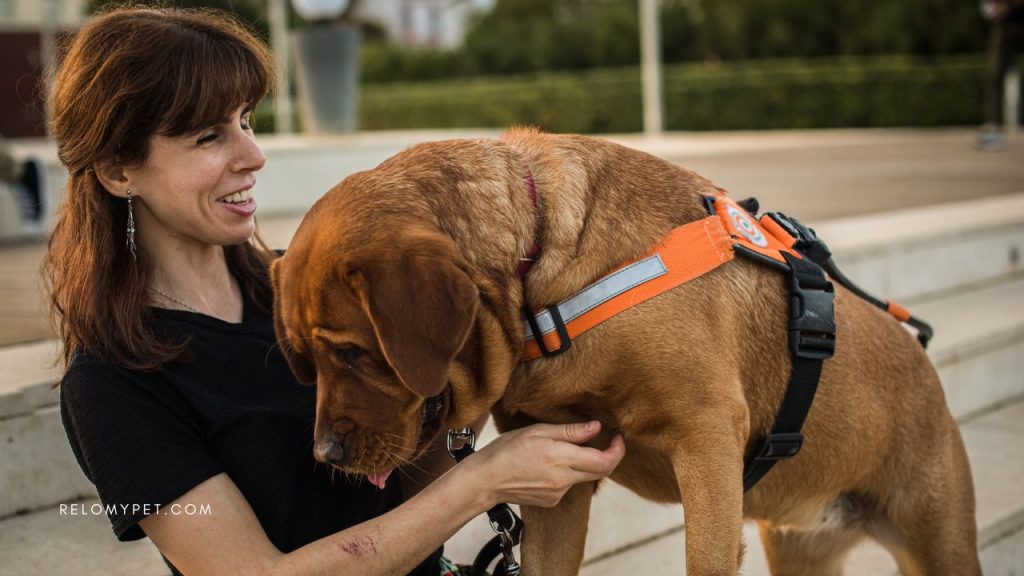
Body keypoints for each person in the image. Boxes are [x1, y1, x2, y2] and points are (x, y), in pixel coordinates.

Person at [45, 7, 625, 576]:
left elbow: (411, 477)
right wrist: (484, 482)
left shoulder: (303, 292)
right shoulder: (110, 385)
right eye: (207, 137)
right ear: (119, 171)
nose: (253, 156)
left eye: (246, 120)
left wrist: (474, 374)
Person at [979, 0, 1024, 149]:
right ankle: (994, 128)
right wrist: (994, 9)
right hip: (1004, 23)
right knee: (995, 74)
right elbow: (987, 7)